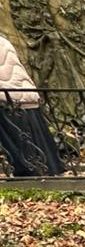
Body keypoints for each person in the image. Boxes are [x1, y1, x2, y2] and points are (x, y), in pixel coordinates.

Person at [0, 34, 64, 177]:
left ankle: (30, 173)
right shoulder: (3, 41)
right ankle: (50, 169)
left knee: (18, 141)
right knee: (35, 138)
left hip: (8, 97)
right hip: (23, 94)